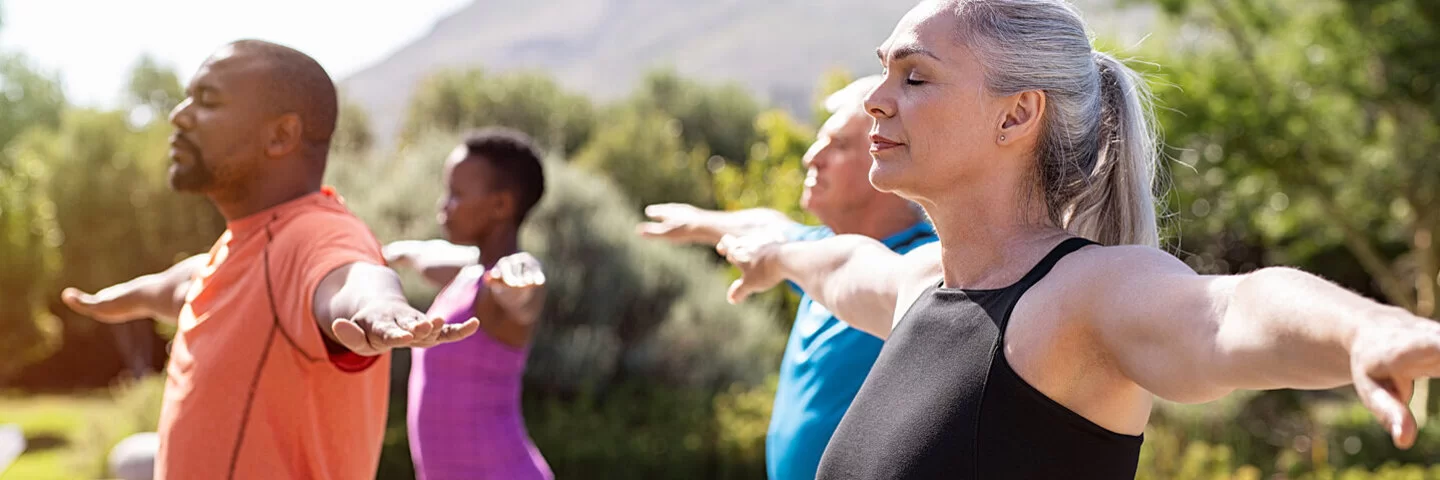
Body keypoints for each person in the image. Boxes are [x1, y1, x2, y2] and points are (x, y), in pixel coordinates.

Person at [715, 1, 1440, 478]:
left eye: (915, 76)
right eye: (884, 71)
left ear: (1015, 115)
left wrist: (1366, 329)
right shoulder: (923, 285)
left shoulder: (1079, 299)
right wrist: (769, 246)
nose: (875, 98)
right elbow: (835, 263)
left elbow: (1229, 311)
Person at [58, 40, 478, 480]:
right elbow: (187, 285)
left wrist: (381, 310)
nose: (178, 115)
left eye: (207, 101)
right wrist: (118, 299)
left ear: (280, 136)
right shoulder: (246, 245)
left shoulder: (316, 233)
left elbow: (353, 278)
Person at [638, 76, 938, 480]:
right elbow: (765, 225)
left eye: (840, 145)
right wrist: (699, 223)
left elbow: (842, 265)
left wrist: (777, 257)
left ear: (890, 158)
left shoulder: (920, 270)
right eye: (820, 140)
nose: (812, 157)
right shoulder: (813, 251)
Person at [384, 128, 553, 480]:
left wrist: (522, 283)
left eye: (456, 195)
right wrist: (390, 252)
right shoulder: (468, 272)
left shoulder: (499, 287)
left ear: (501, 206)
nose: (444, 205)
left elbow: (526, 294)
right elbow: (427, 254)